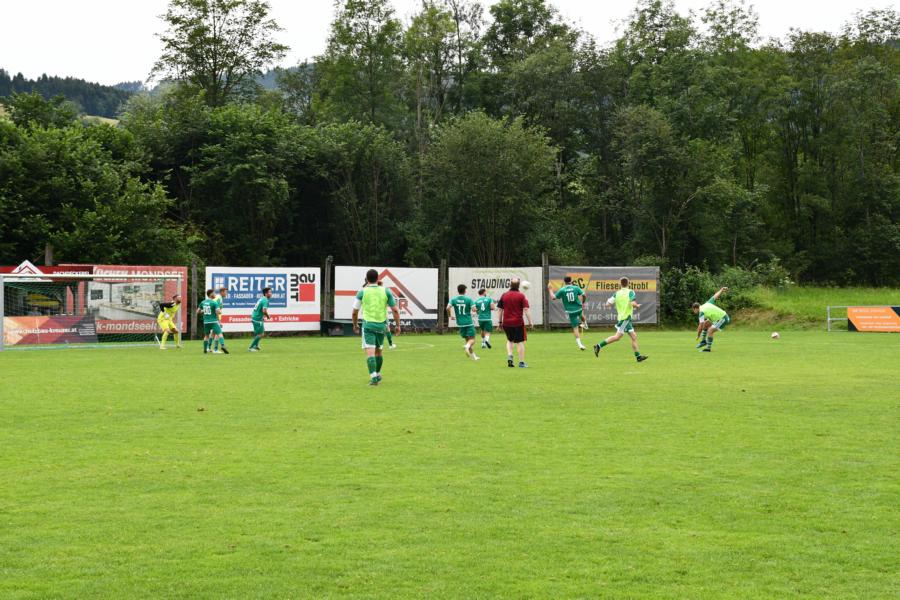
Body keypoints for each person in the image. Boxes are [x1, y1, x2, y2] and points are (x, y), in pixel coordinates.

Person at [352, 269, 402, 386]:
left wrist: (355, 325)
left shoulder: (362, 292)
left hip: (368, 326)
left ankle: (374, 378)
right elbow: (395, 310)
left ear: (367, 279)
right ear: (378, 278)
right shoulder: (386, 291)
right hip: (381, 326)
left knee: (370, 353)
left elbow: (354, 312)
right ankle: (378, 374)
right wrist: (398, 325)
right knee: (379, 352)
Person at [593, 277, 648, 363]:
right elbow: (632, 303)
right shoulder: (630, 292)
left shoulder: (617, 293)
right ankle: (598, 346)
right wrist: (637, 306)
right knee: (618, 337)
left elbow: (607, 304)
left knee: (632, 336)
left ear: (620, 284)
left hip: (623, 318)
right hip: (625, 318)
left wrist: (616, 303)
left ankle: (638, 357)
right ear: (628, 283)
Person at [498, 278, 533, 368]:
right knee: (520, 342)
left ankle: (510, 356)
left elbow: (500, 309)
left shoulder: (504, 295)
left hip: (506, 323)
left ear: (510, 285)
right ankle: (521, 363)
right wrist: (530, 322)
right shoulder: (521, 296)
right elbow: (526, 309)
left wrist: (500, 322)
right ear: (518, 285)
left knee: (510, 340)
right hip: (518, 323)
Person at [548, 276, 587, 350]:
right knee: (581, 314)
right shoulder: (576, 288)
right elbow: (584, 295)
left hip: (571, 311)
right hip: (578, 308)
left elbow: (553, 297)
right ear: (571, 281)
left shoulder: (562, 290)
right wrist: (583, 302)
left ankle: (580, 345)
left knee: (575, 328)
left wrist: (550, 289)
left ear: (564, 282)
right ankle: (585, 323)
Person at [447, 284, 479, 361]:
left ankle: (474, 357)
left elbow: (448, 308)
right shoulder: (468, 299)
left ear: (458, 290)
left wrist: (450, 316)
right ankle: (467, 346)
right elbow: (474, 309)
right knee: (472, 340)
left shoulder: (453, 299)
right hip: (468, 322)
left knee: (468, 341)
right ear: (465, 291)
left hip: (460, 323)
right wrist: (477, 310)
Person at [693, 287, 730, 352]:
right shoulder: (707, 303)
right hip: (720, 318)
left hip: (723, 318)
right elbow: (715, 296)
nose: (694, 311)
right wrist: (721, 290)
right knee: (706, 323)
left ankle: (708, 349)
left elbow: (700, 325)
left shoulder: (701, 312)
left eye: (693, 310)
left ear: (695, 308)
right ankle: (703, 341)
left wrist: (698, 335)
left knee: (710, 330)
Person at [197, 289, 228, 354]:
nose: (215, 294)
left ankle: (205, 349)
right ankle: (223, 345)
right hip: (213, 321)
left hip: (206, 322)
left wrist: (204, 311)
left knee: (206, 336)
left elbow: (197, 312)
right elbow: (218, 312)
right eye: (214, 293)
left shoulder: (203, 302)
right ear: (211, 294)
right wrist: (220, 311)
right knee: (219, 333)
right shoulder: (214, 302)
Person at [248, 286, 273, 352]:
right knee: (261, 334)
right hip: (257, 318)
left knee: (259, 333)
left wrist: (262, 317)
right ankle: (251, 347)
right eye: (270, 292)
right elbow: (264, 311)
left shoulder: (262, 298)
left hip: (255, 317)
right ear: (266, 293)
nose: (271, 294)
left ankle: (256, 346)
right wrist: (268, 316)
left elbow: (260, 310)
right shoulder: (265, 300)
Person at [377, 280, 397, 349]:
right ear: (381, 285)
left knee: (375, 330)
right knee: (387, 329)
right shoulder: (384, 292)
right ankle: (390, 345)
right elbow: (393, 307)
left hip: (372, 315)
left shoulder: (373, 293)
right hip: (382, 315)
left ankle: (378, 345)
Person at [211, 287, 228, 352]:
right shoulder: (218, 298)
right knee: (218, 332)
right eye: (225, 292)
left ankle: (209, 348)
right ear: (222, 292)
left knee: (214, 333)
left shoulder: (219, 298)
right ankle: (215, 349)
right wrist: (219, 321)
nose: (226, 293)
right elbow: (216, 310)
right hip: (215, 318)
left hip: (215, 317)